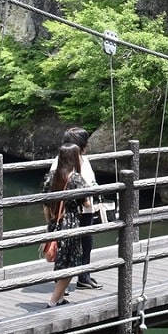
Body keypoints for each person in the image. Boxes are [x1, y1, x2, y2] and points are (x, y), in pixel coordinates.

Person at [49, 127, 101, 290]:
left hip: (86, 209)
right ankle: (60, 284)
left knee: (86, 241)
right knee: (65, 245)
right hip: (69, 212)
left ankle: (83, 276)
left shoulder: (84, 160)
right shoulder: (60, 162)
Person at [42, 143, 88, 307]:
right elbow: (87, 203)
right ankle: (54, 300)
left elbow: (45, 204)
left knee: (60, 262)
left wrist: (50, 223)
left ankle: (60, 298)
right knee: (72, 263)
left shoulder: (51, 176)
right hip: (70, 223)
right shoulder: (76, 179)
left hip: (55, 222)